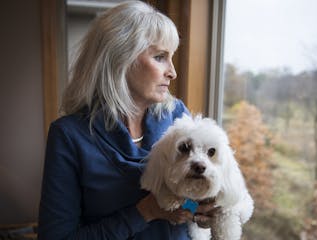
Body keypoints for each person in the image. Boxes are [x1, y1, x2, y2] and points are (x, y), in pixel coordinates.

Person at [38, 1, 218, 239]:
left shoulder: (176, 115)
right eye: (160, 57)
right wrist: (144, 212)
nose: (172, 72)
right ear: (120, 58)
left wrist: (199, 212)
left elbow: (184, 202)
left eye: (171, 57)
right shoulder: (69, 135)